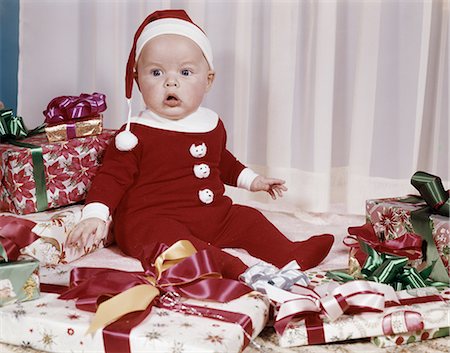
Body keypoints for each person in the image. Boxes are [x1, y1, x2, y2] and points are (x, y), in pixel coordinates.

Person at [66, 9, 334, 279]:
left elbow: (222, 160)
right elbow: (112, 177)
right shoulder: (134, 134)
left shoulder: (210, 123)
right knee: (171, 242)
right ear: (137, 80)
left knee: (247, 219)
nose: (171, 81)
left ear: (208, 81)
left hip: (209, 215)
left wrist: (253, 180)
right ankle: (226, 266)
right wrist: (96, 214)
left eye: (185, 72)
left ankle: (289, 253)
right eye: (156, 72)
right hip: (152, 219)